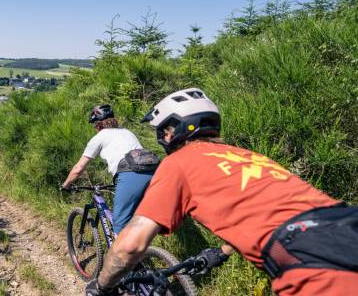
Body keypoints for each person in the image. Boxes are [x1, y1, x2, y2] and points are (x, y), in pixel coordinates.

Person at [86, 88, 358, 296]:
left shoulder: (180, 162)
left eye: (163, 131)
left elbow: (130, 246)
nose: (163, 138)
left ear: (173, 131)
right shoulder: (250, 156)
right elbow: (274, 214)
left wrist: (101, 285)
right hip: (345, 222)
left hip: (309, 256)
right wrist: (223, 252)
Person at [61, 104, 158, 236]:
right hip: (154, 171)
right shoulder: (127, 132)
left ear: (97, 125)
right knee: (140, 218)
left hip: (129, 173)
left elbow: (78, 169)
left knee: (119, 226)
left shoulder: (99, 137)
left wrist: (65, 185)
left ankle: (124, 253)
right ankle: (143, 249)